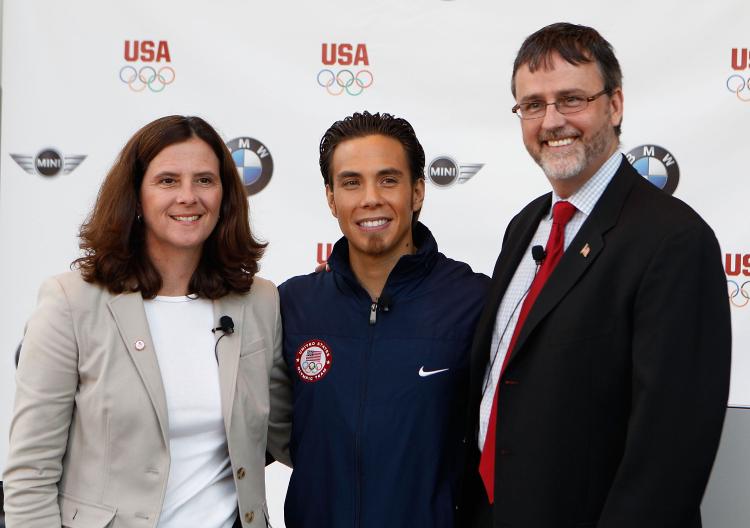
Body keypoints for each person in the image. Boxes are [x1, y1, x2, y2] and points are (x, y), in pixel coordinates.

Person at [458, 23, 731, 528]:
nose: (552, 120)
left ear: (616, 105)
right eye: (532, 105)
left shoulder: (674, 240)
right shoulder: (526, 225)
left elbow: (669, 452)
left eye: (572, 99)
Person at [3, 115, 291, 528]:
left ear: (226, 195)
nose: (188, 196)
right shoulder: (72, 302)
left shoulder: (260, 301)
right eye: (168, 181)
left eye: (205, 180)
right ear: (136, 196)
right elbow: (30, 475)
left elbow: (290, 435)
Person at [278, 111, 489, 527]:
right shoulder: (291, 304)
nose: (370, 198)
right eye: (351, 182)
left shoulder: (476, 302)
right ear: (331, 197)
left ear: (417, 193)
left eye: (388, 180)